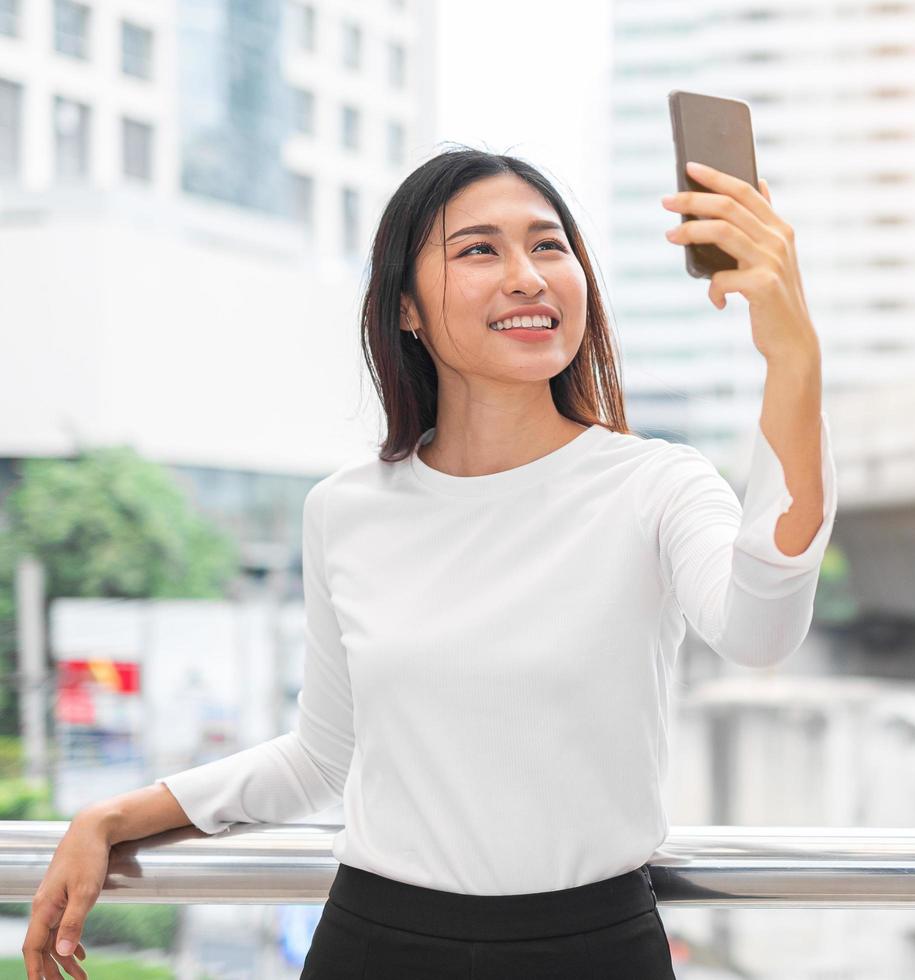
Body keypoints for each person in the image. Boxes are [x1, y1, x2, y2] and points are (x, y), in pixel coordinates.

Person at [23, 146, 837, 979]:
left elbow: (761, 628)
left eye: (549, 245)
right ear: (406, 307)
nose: (527, 275)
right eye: (479, 249)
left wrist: (793, 359)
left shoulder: (657, 484)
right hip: (376, 943)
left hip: (593, 949)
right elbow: (322, 757)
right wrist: (117, 816)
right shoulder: (345, 510)